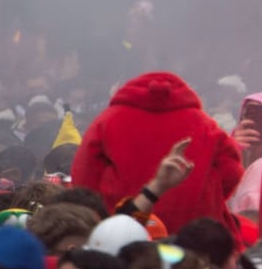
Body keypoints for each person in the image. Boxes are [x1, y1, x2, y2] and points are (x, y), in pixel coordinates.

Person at [71, 72, 242, 234]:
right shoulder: (205, 124)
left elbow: (84, 177)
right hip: (195, 237)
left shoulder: (107, 120)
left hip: (120, 231)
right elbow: (231, 172)